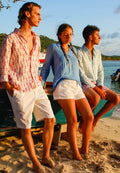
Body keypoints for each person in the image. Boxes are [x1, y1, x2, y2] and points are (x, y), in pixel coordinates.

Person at [0, 2, 55, 173]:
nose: (40, 17)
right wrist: (9, 87)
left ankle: (45, 156)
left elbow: (32, 63)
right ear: (27, 14)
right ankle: (35, 163)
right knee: (26, 128)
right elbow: (3, 66)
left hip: (35, 86)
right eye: (37, 14)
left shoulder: (37, 38)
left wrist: (38, 76)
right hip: (19, 89)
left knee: (51, 119)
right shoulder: (10, 39)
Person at [41, 24, 94, 161]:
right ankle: (75, 153)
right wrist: (41, 85)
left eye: (71, 34)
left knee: (89, 117)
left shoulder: (74, 50)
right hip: (63, 85)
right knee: (73, 120)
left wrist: (92, 85)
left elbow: (79, 73)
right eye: (65, 34)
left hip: (76, 86)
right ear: (59, 35)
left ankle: (84, 149)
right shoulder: (54, 48)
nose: (69, 36)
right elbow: (46, 68)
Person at [78, 25, 120, 131]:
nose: (100, 37)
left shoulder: (97, 53)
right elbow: (81, 75)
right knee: (96, 98)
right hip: (84, 84)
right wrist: (96, 89)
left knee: (116, 98)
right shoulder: (79, 53)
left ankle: (96, 118)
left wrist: (100, 86)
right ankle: (84, 120)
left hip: (96, 83)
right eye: (97, 35)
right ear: (90, 37)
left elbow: (101, 71)